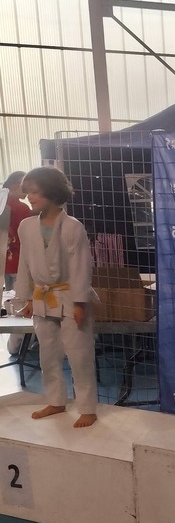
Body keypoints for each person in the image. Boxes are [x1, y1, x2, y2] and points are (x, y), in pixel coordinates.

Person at [15, 167, 99, 428]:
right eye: (28, 192)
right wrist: (26, 299)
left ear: (52, 192)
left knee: (79, 354)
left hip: (69, 296)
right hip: (42, 296)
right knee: (48, 354)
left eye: (35, 192)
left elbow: (81, 267)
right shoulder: (26, 226)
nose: (29, 197)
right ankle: (56, 401)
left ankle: (87, 407)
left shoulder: (72, 226)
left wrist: (80, 303)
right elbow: (24, 264)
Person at [1, 171, 30, 352]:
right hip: (18, 260)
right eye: (25, 187)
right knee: (21, 303)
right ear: (14, 185)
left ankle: (14, 346)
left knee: (8, 303)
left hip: (4, 262)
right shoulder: (22, 208)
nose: (28, 192)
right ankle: (16, 346)